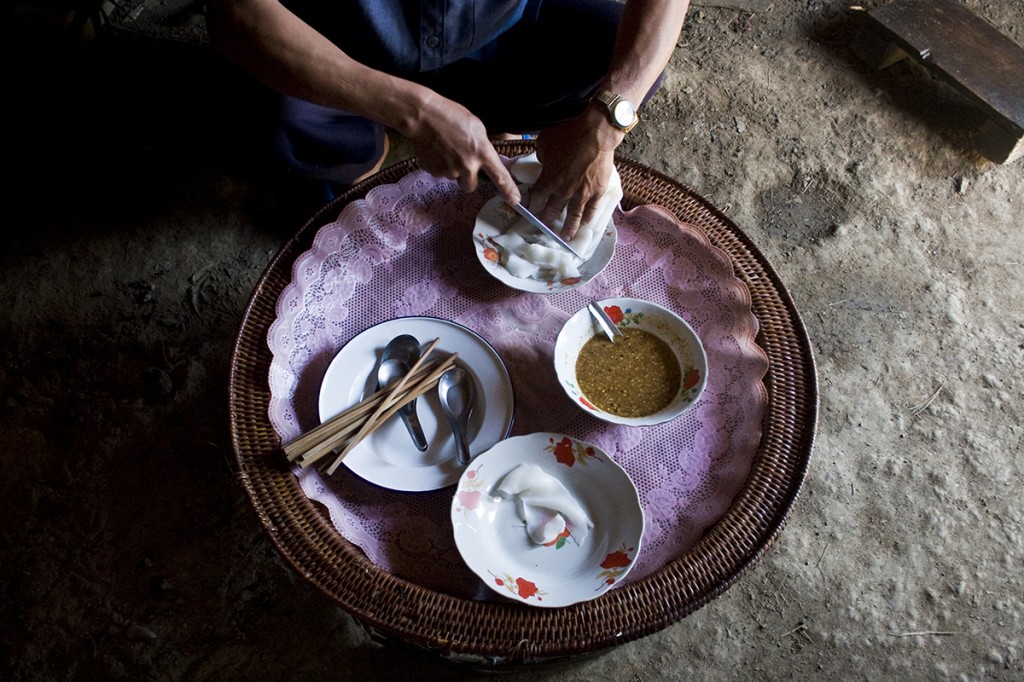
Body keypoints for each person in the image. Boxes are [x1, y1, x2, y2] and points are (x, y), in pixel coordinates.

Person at [206, 0, 689, 239]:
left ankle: (485, 119)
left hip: (501, 24)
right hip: (340, 42)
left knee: (620, 59)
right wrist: (412, 112)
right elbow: (238, 13)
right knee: (281, 115)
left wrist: (607, 120)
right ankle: (358, 155)